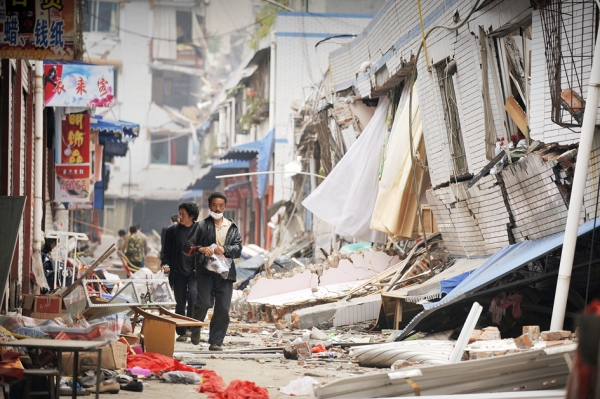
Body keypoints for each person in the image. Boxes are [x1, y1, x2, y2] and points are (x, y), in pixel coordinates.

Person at [184, 192, 242, 350]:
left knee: (223, 308)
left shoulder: (232, 227)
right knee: (203, 304)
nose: (217, 209)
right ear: (209, 206)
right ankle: (195, 328)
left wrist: (225, 249)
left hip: (226, 273)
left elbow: (238, 249)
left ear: (225, 207)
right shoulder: (201, 226)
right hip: (205, 272)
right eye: (214, 205)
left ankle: (216, 341)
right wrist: (200, 249)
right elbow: (187, 246)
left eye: (221, 205)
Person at [161, 202, 199, 342]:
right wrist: (165, 264)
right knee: (180, 301)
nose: (180, 216)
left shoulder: (200, 230)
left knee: (193, 296)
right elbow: (166, 252)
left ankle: (190, 326)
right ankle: (182, 331)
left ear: (192, 216)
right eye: (179, 213)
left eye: (183, 214)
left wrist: (201, 265)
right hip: (178, 271)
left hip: (195, 272)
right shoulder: (172, 231)